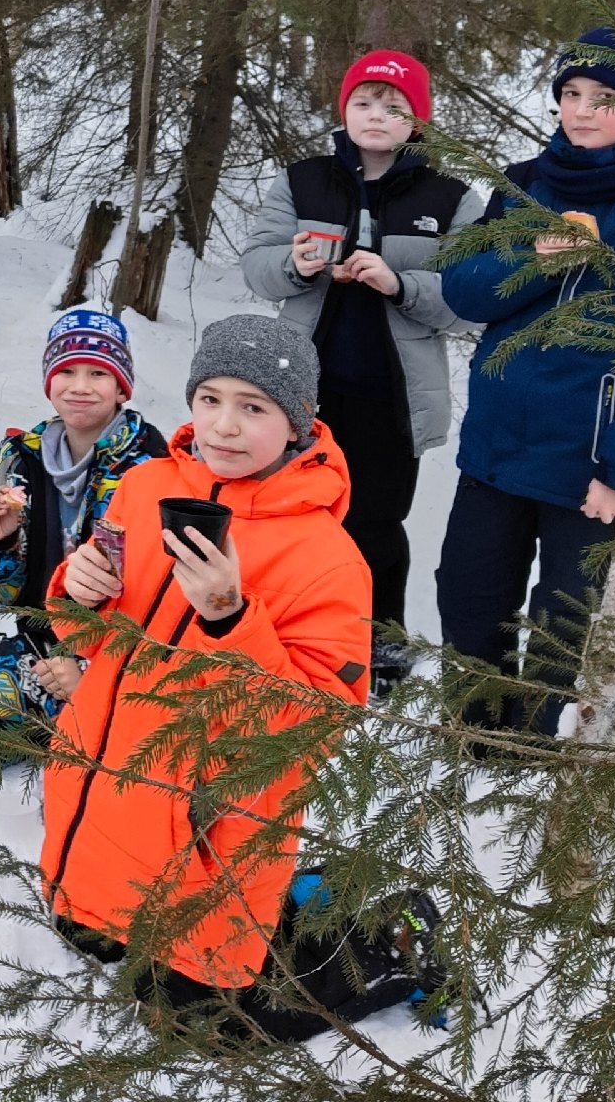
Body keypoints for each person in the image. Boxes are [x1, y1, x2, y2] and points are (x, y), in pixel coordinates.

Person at [37, 315, 371, 1026]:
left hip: (203, 820)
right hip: (102, 782)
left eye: (254, 408)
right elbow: (87, 630)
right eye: (210, 399)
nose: (223, 426)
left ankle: (368, 956)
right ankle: (109, 911)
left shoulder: (327, 557)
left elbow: (316, 721)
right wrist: (78, 586)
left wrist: (228, 618)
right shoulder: (144, 486)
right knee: (84, 935)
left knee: (197, 1020)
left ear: (298, 423)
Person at [435, 25, 615, 737]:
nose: (580, 110)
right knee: (466, 598)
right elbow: (463, 293)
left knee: (563, 631)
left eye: (604, 97)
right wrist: (535, 258)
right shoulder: (525, 184)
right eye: (570, 94)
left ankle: (537, 769)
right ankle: (475, 747)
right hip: (497, 445)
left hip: (588, 469)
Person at [239, 50, 481, 685]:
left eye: (395, 107)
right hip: (303, 389)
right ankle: (292, 634)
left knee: (375, 522)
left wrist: (401, 285)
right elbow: (258, 268)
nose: (378, 116)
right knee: (295, 513)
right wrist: (298, 265)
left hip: (393, 398)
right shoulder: (303, 180)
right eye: (365, 103)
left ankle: (382, 644)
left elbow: (471, 299)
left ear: (417, 122)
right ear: (343, 110)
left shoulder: (451, 198)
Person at [0, 307, 167, 713]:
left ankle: (97, 718)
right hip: (41, 645)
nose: (80, 387)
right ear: (49, 383)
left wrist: (85, 670)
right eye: (66, 372)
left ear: (121, 388)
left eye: (98, 374)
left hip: (119, 660)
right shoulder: (20, 458)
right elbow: (5, 595)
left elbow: (157, 597)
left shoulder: (150, 467)